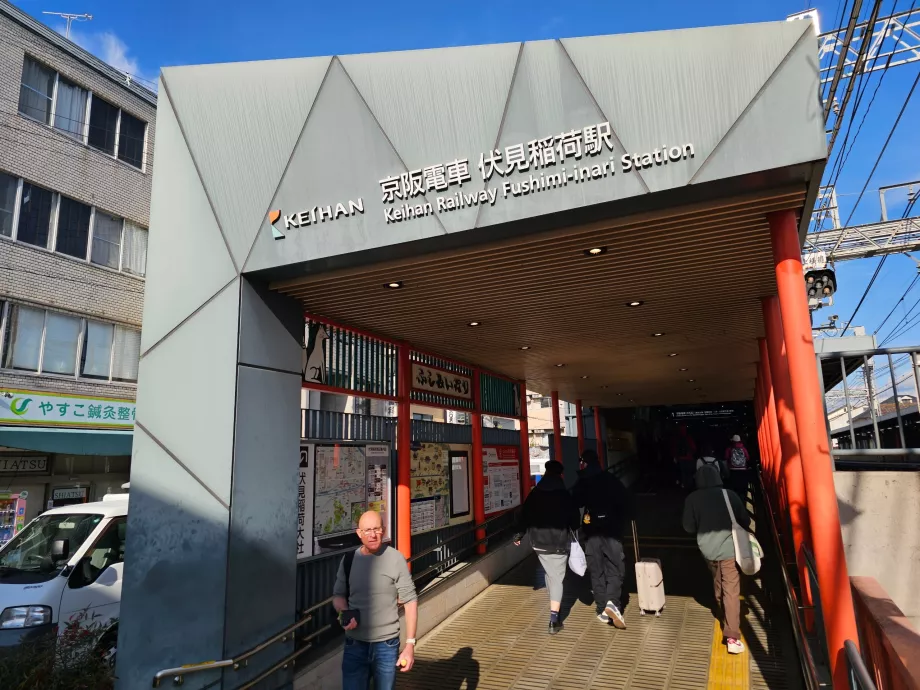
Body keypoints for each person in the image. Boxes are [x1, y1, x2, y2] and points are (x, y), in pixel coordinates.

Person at [333, 510, 418, 690]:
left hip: (386, 645)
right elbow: (338, 596)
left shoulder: (395, 558)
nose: (373, 535)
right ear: (359, 533)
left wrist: (410, 645)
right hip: (354, 644)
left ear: (383, 530)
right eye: (367, 530)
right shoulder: (349, 560)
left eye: (377, 529)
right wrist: (344, 614)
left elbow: (410, 601)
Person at [682, 464, 750, 654]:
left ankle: (724, 611)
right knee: (731, 589)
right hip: (730, 550)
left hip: (708, 550)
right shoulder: (730, 495)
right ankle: (732, 636)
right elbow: (745, 520)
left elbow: (688, 527)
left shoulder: (692, 499)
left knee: (718, 582)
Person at [513, 459, 580, 635]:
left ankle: (554, 602)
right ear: (561, 475)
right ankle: (554, 620)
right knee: (557, 578)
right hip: (558, 544)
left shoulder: (535, 493)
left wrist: (519, 534)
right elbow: (575, 521)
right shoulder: (564, 495)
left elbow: (524, 515)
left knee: (550, 574)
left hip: (538, 543)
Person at [572, 448, 633, 628]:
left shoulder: (583, 482)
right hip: (612, 531)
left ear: (584, 463)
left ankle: (601, 610)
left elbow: (576, 501)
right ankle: (612, 602)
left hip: (591, 532)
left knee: (596, 570)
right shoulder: (611, 479)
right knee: (615, 567)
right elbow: (626, 503)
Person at [724, 434, 752, 499]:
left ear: (732, 441)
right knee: (742, 484)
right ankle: (742, 496)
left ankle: (735, 497)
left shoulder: (729, 448)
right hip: (743, 469)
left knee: (734, 484)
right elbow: (748, 458)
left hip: (733, 469)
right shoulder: (743, 448)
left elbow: (726, 457)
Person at [672, 424, 697, 490]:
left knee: (683, 473)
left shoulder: (677, 438)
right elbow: (694, 448)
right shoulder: (689, 438)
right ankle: (689, 486)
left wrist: (676, 457)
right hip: (689, 458)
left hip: (680, 458)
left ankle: (683, 485)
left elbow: (675, 449)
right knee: (689, 473)